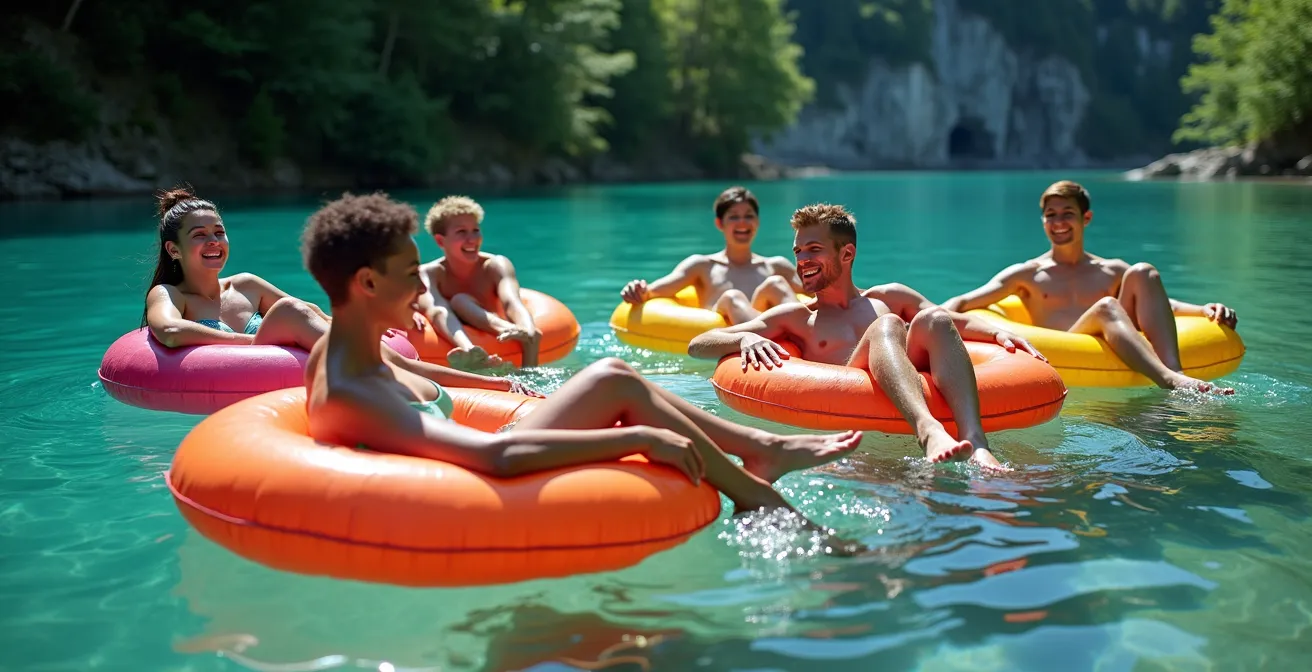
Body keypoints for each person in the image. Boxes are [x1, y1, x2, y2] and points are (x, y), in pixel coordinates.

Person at [299, 192, 864, 551]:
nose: (421, 286)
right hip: (471, 480)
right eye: (407, 274)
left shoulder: (344, 349)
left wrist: (493, 383)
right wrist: (640, 439)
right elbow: (492, 460)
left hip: (480, 440)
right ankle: (758, 486)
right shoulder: (354, 392)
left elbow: (408, 365)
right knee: (614, 382)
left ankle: (759, 448)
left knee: (613, 371)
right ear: (367, 284)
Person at [689, 204, 1045, 471]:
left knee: (930, 318)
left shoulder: (888, 298)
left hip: (903, 392)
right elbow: (698, 344)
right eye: (798, 251)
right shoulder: (799, 317)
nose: (801, 260)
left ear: (846, 253)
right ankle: (928, 431)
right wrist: (743, 340)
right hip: (854, 421)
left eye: (813, 250)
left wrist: (1000, 332)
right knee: (886, 327)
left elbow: (951, 322)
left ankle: (976, 442)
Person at [142, 186, 529, 397]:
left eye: (219, 232)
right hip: (240, 371)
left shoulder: (246, 285)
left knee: (321, 320)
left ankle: (487, 384)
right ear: (173, 249)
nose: (214, 241)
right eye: (200, 236)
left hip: (282, 362)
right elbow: (170, 332)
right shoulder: (170, 295)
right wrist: (256, 342)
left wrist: (360, 325)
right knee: (295, 312)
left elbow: (314, 315)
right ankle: (468, 384)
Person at [942, 180, 1238, 394]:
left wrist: (1203, 310)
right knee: (1108, 307)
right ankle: (1169, 379)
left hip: (1117, 336)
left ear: (1086, 218)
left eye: (1067, 213)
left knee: (1143, 271)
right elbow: (965, 300)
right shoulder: (1027, 274)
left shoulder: (1111, 270)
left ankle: (1177, 375)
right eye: (1051, 215)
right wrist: (929, 322)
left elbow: (1163, 305)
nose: (1058, 222)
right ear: (1043, 221)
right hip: (1067, 346)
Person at [620, 186, 806, 324]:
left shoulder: (776, 267)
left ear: (757, 221)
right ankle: (769, 339)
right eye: (733, 216)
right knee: (732, 297)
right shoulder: (702, 266)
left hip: (771, 329)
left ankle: (808, 340)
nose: (742, 223)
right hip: (728, 335)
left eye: (749, 216)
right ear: (719, 223)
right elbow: (654, 291)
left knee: (776, 284)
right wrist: (637, 290)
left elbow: (819, 292)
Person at [414, 196, 541, 369]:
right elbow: (435, 310)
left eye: (475, 230)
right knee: (456, 302)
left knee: (460, 301)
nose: (472, 239)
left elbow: (512, 301)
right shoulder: (430, 273)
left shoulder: (495, 265)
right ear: (440, 241)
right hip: (454, 333)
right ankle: (472, 353)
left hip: (496, 328)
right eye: (461, 232)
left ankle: (517, 341)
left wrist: (527, 328)